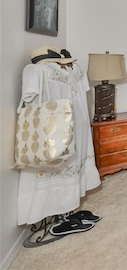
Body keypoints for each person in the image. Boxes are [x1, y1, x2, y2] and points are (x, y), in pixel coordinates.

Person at [16, 46, 101, 236]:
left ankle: (68, 211)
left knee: (74, 160)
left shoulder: (72, 69)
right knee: (56, 164)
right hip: (50, 128)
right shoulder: (37, 72)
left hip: (76, 123)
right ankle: (55, 215)